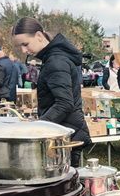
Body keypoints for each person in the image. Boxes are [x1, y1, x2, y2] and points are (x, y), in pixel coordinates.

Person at [11, 17, 91, 166]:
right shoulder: (53, 58)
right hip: (65, 132)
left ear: (39, 36)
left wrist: (39, 126)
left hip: (65, 137)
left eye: (25, 44)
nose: (24, 50)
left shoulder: (56, 61)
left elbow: (65, 103)